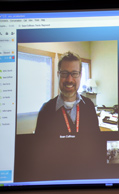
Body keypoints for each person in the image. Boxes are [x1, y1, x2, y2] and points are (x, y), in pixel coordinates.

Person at [15, 51, 100, 181]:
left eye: (74, 73)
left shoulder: (89, 106)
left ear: (80, 76)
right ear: (58, 75)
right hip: (57, 177)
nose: (69, 79)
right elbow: (39, 154)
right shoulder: (46, 110)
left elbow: (97, 143)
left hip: (86, 176)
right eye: (65, 73)